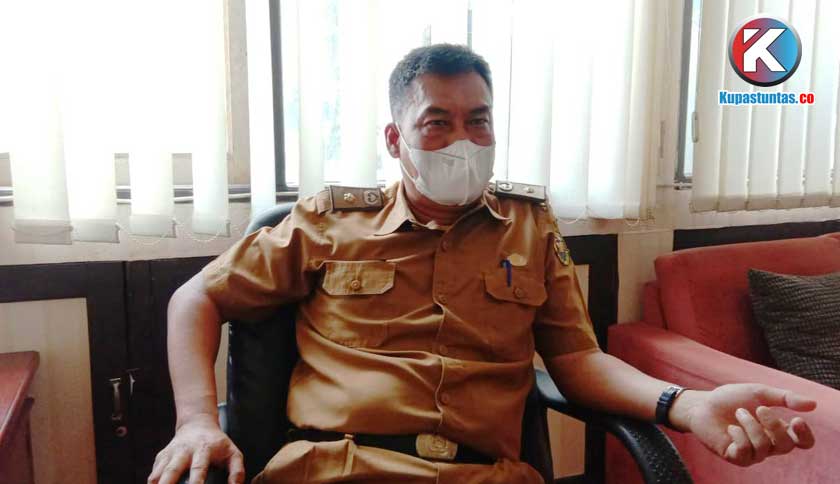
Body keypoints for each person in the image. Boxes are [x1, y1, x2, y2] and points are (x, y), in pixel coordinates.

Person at [148, 44, 816, 484]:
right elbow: (197, 298)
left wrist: (686, 405)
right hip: (339, 468)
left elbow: (578, 361)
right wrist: (197, 421)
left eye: (479, 121)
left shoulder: (529, 225)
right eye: (437, 123)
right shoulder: (330, 222)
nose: (464, 141)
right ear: (396, 139)